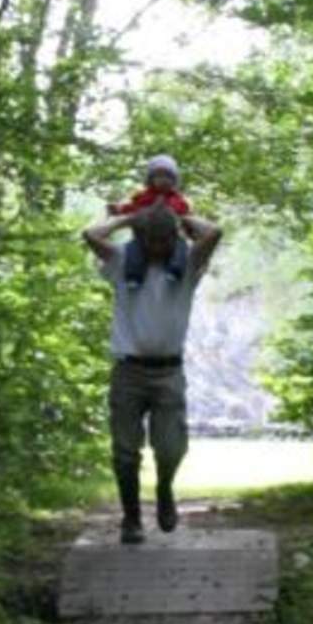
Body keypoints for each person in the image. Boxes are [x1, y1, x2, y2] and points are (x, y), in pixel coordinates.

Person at [82, 202, 224, 544]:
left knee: (172, 447)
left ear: (172, 239)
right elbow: (91, 234)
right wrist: (131, 217)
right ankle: (131, 519)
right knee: (125, 451)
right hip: (128, 371)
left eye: (163, 240)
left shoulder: (187, 264)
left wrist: (178, 216)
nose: (158, 248)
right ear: (141, 239)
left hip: (168, 372)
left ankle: (164, 490)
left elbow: (214, 232)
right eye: (150, 241)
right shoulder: (121, 262)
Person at [107, 155, 192, 289]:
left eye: (168, 177)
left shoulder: (177, 198)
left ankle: (175, 270)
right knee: (133, 248)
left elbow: (184, 211)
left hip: (169, 236)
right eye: (159, 176)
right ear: (151, 180)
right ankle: (134, 276)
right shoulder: (143, 197)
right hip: (144, 235)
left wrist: (178, 215)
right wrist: (119, 209)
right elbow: (132, 208)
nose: (164, 180)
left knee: (181, 246)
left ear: (174, 180)